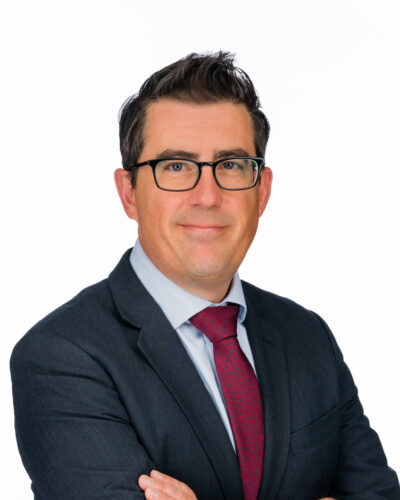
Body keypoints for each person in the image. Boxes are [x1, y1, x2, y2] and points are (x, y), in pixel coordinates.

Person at [10, 51, 399, 500]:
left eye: (231, 165)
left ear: (262, 191)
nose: (207, 196)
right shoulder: (60, 356)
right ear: (128, 192)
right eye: (176, 167)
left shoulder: (308, 336)